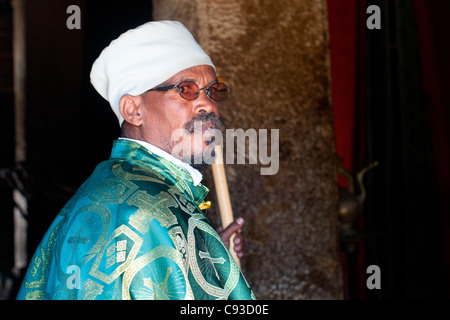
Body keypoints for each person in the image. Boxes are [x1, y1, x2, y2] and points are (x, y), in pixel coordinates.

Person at [16, 20, 255, 300]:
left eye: (212, 91)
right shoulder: (137, 212)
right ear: (133, 110)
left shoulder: (139, 191)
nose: (208, 105)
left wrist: (203, 262)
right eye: (185, 89)